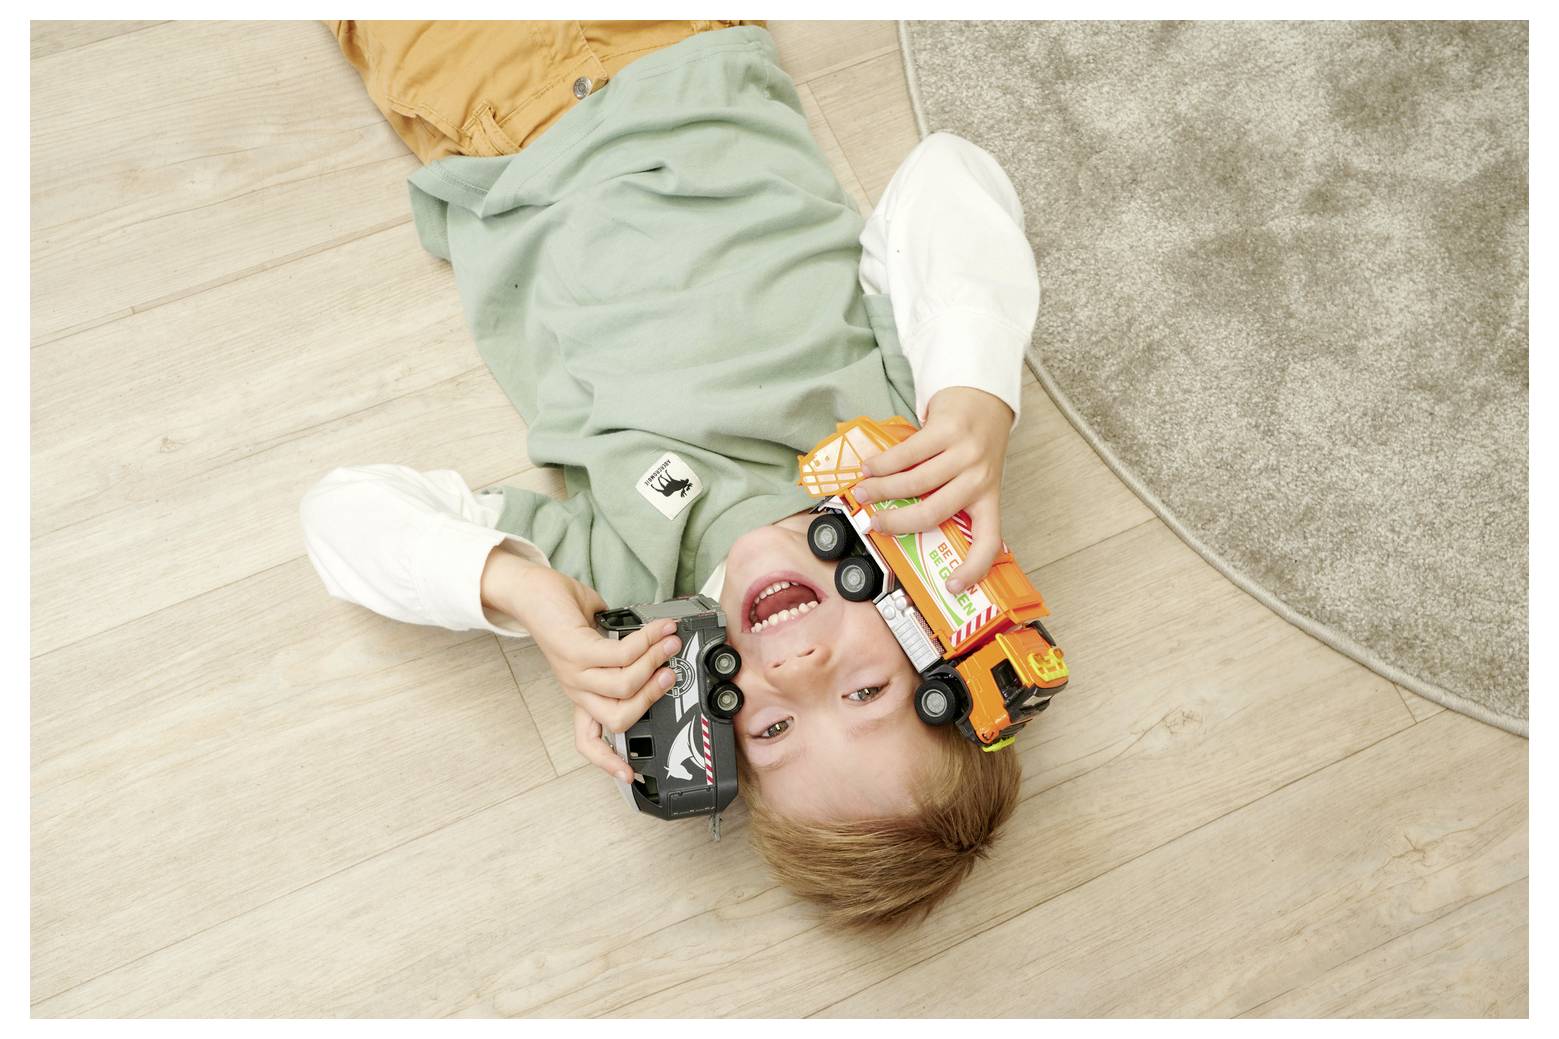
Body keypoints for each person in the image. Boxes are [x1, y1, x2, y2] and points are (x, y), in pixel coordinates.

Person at [302, 22, 1040, 927]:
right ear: (941, 642)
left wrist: (518, 590)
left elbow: (340, 516)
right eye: (863, 692)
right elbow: (946, 173)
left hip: (491, 106)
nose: (800, 667)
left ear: (711, 741)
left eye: (772, 728)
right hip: (682, 43)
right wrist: (972, 390)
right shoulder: (907, 458)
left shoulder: (624, 588)